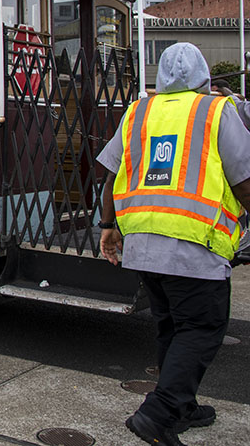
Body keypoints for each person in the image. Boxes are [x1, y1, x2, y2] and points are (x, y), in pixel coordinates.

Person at [98, 43, 250, 446]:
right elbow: (244, 179)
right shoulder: (216, 111)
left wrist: (108, 226)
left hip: (144, 244)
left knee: (171, 327)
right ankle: (159, 412)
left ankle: (182, 404)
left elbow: (113, 176)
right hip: (193, 243)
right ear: (204, 78)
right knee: (202, 328)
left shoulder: (138, 112)